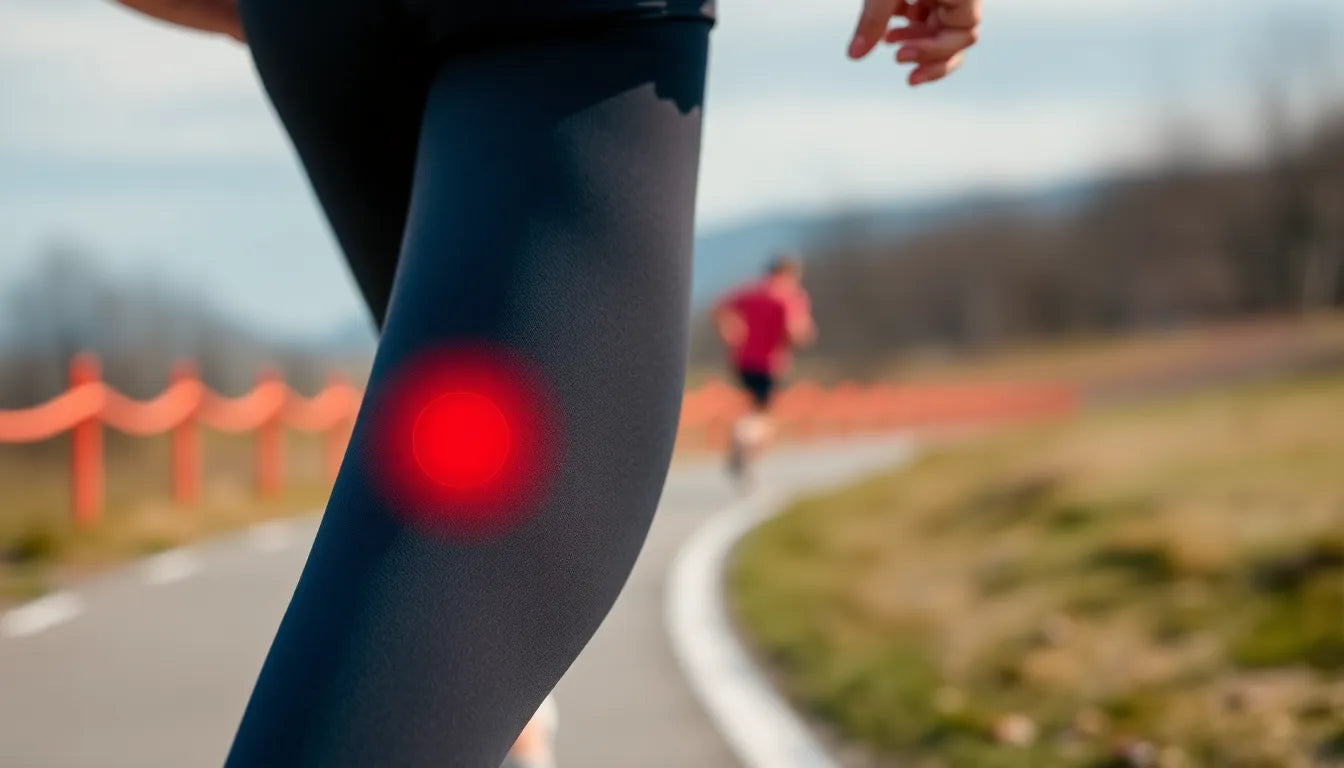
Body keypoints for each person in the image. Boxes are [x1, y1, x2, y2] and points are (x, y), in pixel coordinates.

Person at [108, 0, 983, 765]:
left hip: (321, 31)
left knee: (460, 556)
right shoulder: (777, 299)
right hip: (552, 22)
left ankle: (508, 720)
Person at [715, 254, 817, 487]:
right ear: (789, 273)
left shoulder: (751, 291)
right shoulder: (789, 296)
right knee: (763, 416)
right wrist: (806, 335)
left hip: (741, 360)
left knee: (756, 408)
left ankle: (743, 458)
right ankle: (742, 439)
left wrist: (728, 330)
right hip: (770, 362)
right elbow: (795, 332)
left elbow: (719, 308)